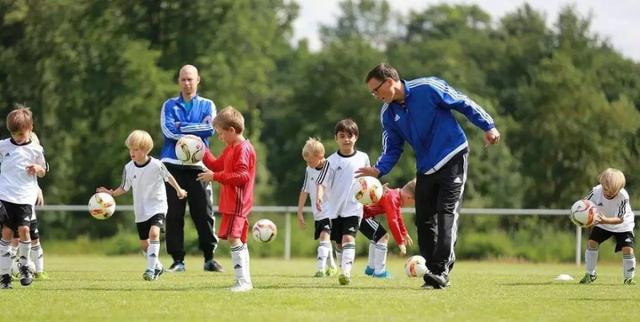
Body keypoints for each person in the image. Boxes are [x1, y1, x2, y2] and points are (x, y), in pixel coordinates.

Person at [357, 63, 501, 289]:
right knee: (424, 220)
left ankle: (441, 271)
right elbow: (393, 148)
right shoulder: (388, 114)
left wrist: (488, 126)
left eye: (376, 90)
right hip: (425, 167)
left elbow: (462, 102)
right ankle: (432, 271)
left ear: (389, 82)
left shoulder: (428, 87)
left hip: (453, 155)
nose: (375, 96)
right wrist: (378, 169)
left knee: (446, 214)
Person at [97, 130, 187, 281]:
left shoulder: (157, 165)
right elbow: (124, 188)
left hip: (158, 207)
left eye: (136, 149)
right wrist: (111, 193)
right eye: (130, 149)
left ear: (145, 149)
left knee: (154, 234)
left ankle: (150, 270)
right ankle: (158, 267)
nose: (132, 152)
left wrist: (179, 190)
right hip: (140, 210)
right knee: (144, 245)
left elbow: (169, 177)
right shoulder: (128, 168)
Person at [160, 64, 223, 272]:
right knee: (174, 214)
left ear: (198, 80)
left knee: (203, 212)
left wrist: (182, 128)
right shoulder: (168, 105)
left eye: (190, 79)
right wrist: (195, 132)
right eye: (183, 79)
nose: (187, 83)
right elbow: (168, 131)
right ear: (179, 81)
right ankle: (178, 260)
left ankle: (209, 258)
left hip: (199, 166)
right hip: (172, 166)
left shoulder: (208, 105)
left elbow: (211, 129)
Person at [197, 106, 257, 292]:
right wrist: (200, 148)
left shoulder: (243, 149)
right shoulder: (231, 148)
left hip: (238, 202)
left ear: (231, 130)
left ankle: (243, 282)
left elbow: (242, 176)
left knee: (234, 238)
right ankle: (244, 281)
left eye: (220, 133)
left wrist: (215, 177)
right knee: (238, 240)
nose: (219, 137)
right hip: (231, 202)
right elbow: (215, 164)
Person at [316, 119, 370, 286]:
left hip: (354, 208)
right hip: (334, 210)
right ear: (336, 139)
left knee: (348, 239)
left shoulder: (363, 158)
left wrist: (376, 190)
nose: (346, 139)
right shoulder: (331, 161)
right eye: (342, 136)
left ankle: (346, 272)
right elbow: (321, 182)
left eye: (350, 135)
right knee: (338, 243)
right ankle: (342, 269)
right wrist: (319, 196)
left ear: (356, 137)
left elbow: (368, 180)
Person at [0, 106, 47, 289]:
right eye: (14, 134)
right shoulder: (3, 146)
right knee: (6, 234)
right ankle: (4, 276)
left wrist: (38, 169)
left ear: (31, 128)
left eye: (21, 133)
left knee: (25, 232)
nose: (18, 137)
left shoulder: (36, 149)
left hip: (25, 198)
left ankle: (25, 266)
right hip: (5, 196)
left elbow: (44, 170)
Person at [579, 168, 636, 285]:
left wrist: (604, 220)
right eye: (606, 189)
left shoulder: (623, 196)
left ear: (619, 189)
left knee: (628, 249)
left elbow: (620, 219)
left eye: (612, 191)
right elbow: (584, 203)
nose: (608, 193)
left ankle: (628, 279)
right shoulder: (596, 191)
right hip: (602, 223)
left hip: (623, 225)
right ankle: (590, 274)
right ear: (602, 183)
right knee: (592, 243)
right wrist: (584, 217)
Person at [296, 138, 338, 277]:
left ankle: (320, 269)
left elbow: (324, 185)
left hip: (330, 210)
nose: (308, 164)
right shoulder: (309, 169)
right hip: (317, 212)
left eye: (310, 161)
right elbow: (305, 189)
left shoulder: (329, 166)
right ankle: (332, 266)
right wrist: (300, 211)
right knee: (325, 239)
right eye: (306, 161)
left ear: (320, 156)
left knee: (324, 236)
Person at [361, 179, 416, 278]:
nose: (413, 205)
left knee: (377, 238)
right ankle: (379, 272)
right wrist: (400, 243)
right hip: (362, 215)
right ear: (409, 198)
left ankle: (371, 268)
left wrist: (404, 233)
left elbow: (398, 216)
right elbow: (393, 221)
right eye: (414, 203)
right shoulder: (392, 198)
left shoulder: (394, 195)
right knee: (384, 237)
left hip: (364, 214)